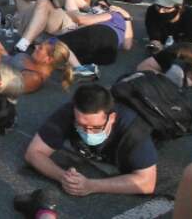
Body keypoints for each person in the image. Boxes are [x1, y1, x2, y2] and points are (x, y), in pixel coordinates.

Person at [24, 84, 157, 197]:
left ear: (111, 118)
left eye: (95, 127)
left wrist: (92, 186)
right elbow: (33, 153)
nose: (87, 132)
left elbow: (147, 183)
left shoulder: (133, 129)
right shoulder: (70, 112)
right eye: (80, 125)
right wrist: (64, 177)